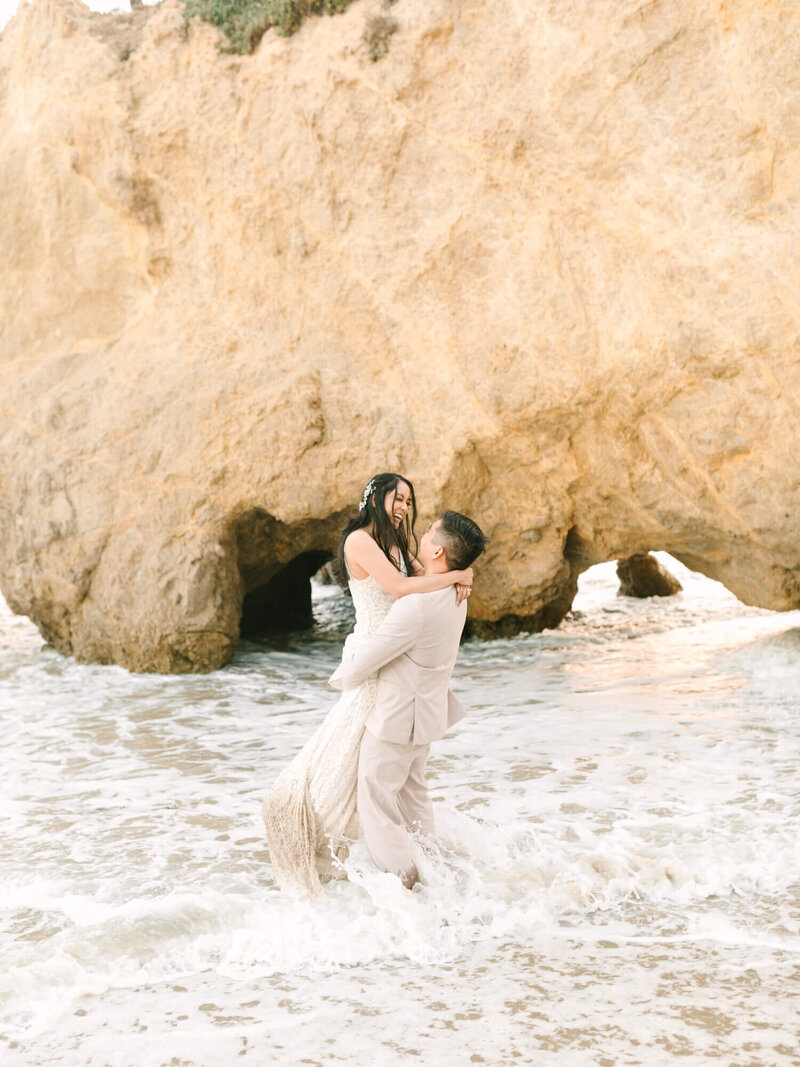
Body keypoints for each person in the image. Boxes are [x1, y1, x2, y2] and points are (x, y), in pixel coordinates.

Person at [261, 474, 474, 896]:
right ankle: (347, 859)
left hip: (392, 659)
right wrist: (457, 575)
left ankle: (407, 877)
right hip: (376, 652)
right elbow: (401, 588)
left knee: (381, 782)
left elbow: (419, 580)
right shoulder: (360, 541)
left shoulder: (398, 545)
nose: (405, 509)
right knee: (344, 768)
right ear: (376, 498)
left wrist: (458, 572)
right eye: (399, 499)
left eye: (411, 502)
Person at [329, 511, 486, 889]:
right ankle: (436, 872)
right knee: (414, 796)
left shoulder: (417, 606)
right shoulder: (456, 594)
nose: (425, 532)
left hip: (398, 720)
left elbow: (359, 668)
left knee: (377, 800)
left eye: (431, 532)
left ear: (436, 552)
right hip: (427, 715)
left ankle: (405, 884)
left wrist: (349, 656)